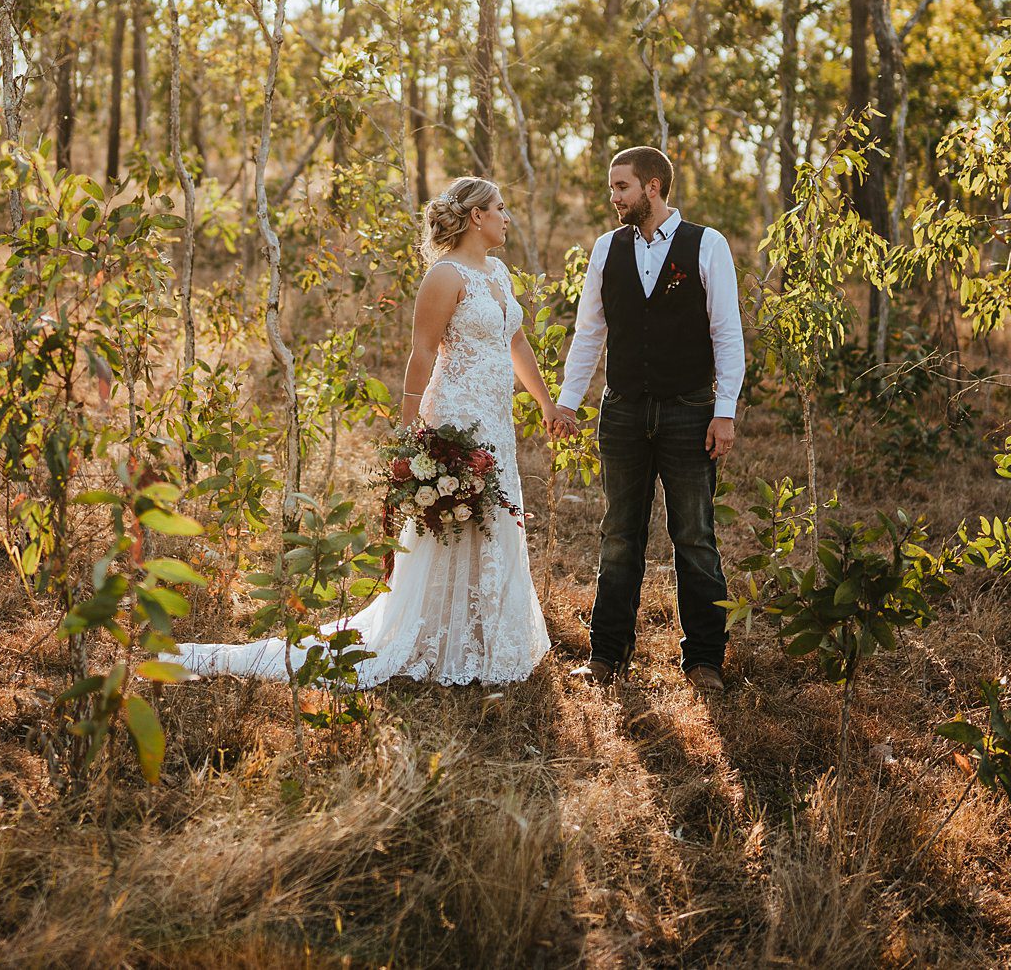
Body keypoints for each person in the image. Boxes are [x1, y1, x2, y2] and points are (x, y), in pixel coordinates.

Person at [168, 177, 572, 686]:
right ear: (476, 217)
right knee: (452, 523)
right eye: (500, 206)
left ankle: (482, 636)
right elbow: (422, 353)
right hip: (457, 418)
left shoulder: (497, 272)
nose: (507, 216)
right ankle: (431, 637)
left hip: (496, 419)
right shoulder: (444, 277)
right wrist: (411, 433)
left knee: (493, 519)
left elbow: (516, 341)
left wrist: (546, 403)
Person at [558, 146, 745, 693]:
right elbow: (589, 332)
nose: (613, 197)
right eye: (612, 187)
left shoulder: (707, 245)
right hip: (621, 411)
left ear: (653, 187)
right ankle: (607, 655)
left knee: (694, 537)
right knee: (618, 535)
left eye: (622, 187)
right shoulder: (605, 249)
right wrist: (569, 401)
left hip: (690, 411)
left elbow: (726, 334)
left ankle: (705, 660)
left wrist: (725, 412)